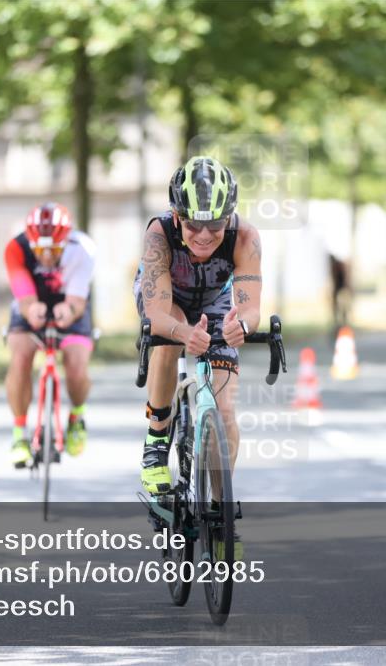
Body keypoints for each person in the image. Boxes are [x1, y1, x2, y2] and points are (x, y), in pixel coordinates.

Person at [132, 156, 262, 510]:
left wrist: (243, 326)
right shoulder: (159, 233)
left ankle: (221, 506)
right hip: (165, 298)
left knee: (224, 410)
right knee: (170, 338)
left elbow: (251, 308)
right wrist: (182, 332)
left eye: (216, 225)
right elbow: (157, 313)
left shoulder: (245, 236)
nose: (204, 235)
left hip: (214, 302)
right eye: (192, 226)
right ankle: (157, 441)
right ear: (177, 217)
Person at [4, 203, 96, 468]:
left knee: (77, 365)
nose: (45, 256)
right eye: (39, 249)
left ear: (66, 241)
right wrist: (32, 309)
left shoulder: (83, 249)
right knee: (20, 357)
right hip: (31, 301)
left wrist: (68, 310)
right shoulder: (16, 248)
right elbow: (24, 298)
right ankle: (19, 434)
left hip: (69, 302)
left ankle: (77, 417)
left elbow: (77, 301)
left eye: (54, 250)